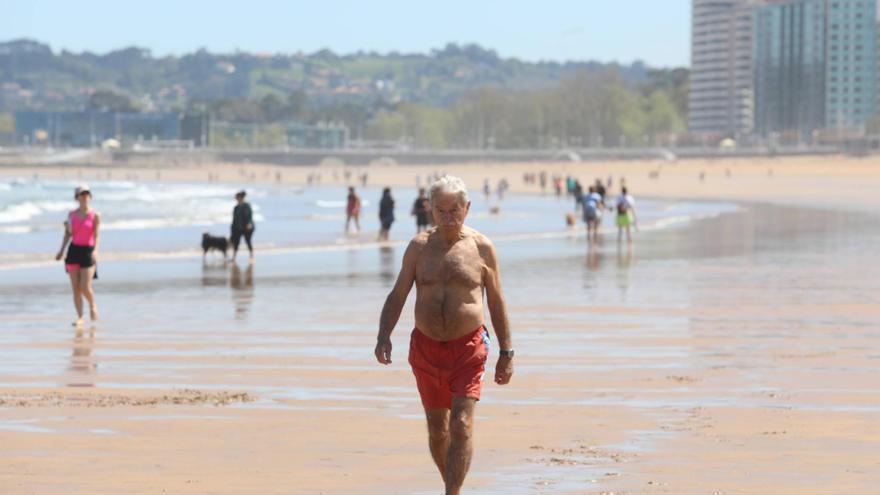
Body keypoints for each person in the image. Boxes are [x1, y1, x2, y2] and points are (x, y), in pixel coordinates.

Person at [375, 175, 514, 495]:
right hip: (425, 349)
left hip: (468, 348)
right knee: (438, 431)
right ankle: (453, 486)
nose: (449, 217)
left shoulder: (482, 247)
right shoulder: (418, 248)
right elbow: (398, 294)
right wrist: (384, 335)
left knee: (461, 425)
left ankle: (451, 493)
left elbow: (496, 300)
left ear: (467, 208)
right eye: (441, 211)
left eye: (455, 210)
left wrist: (507, 353)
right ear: (429, 209)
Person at [55, 185, 100, 328]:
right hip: (73, 251)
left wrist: (96, 250)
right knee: (75, 288)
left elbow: (97, 235)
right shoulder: (71, 215)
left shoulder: (95, 215)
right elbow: (68, 234)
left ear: (90, 196)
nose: (85, 196)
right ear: (77, 197)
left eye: (87, 194)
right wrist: (61, 250)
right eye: (82, 194)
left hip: (88, 251)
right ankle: (80, 316)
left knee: (85, 286)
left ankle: (92, 305)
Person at [231, 190, 255, 263]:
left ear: (241, 198)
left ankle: (251, 257)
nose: (236, 199)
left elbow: (250, 216)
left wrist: (249, 224)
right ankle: (234, 258)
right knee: (236, 243)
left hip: (247, 228)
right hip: (237, 228)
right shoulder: (236, 207)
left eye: (237, 198)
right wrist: (232, 229)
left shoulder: (246, 206)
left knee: (248, 241)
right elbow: (234, 219)